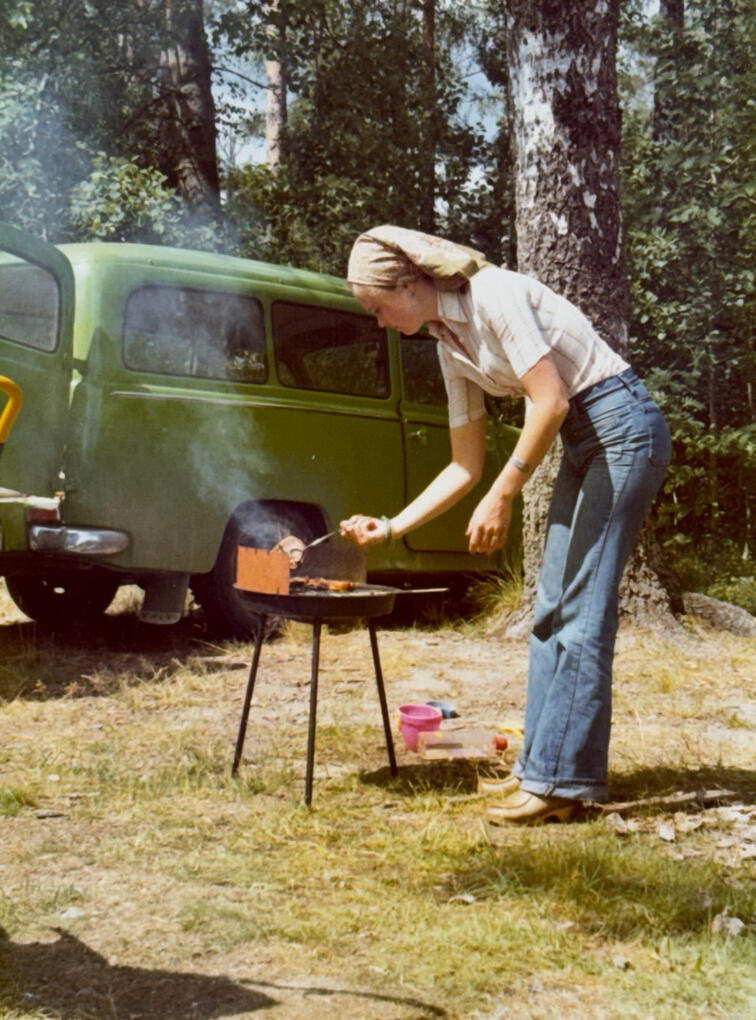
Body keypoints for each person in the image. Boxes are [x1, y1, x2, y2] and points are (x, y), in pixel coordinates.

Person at [339, 224, 671, 824]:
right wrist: (389, 527)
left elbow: (550, 401)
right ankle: (542, 771)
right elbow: (463, 465)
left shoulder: (493, 294)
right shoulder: (449, 345)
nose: (381, 323)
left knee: (582, 606)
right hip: (583, 441)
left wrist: (504, 492)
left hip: (623, 427)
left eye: (379, 308)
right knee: (551, 606)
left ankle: (561, 784)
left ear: (410, 285)